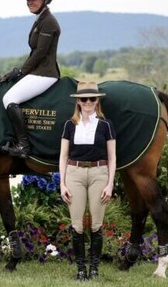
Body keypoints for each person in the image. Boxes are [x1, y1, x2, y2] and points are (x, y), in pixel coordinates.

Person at [58, 82, 117, 280]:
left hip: (99, 174)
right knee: (77, 225)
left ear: (97, 100)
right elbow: (63, 156)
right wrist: (62, 183)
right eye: (84, 99)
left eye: (92, 98)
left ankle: (94, 269)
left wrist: (110, 184)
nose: (88, 102)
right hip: (74, 174)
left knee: (96, 224)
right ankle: (81, 269)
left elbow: (112, 158)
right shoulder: (69, 125)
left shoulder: (106, 125)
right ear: (78, 102)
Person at [2, 0, 61, 158]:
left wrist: (21, 71)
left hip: (45, 73)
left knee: (9, 98)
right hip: (37, 71)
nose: (30, 2)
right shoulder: (40, 19)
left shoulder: (49, 22)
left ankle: (23, 146)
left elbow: (40, 53)